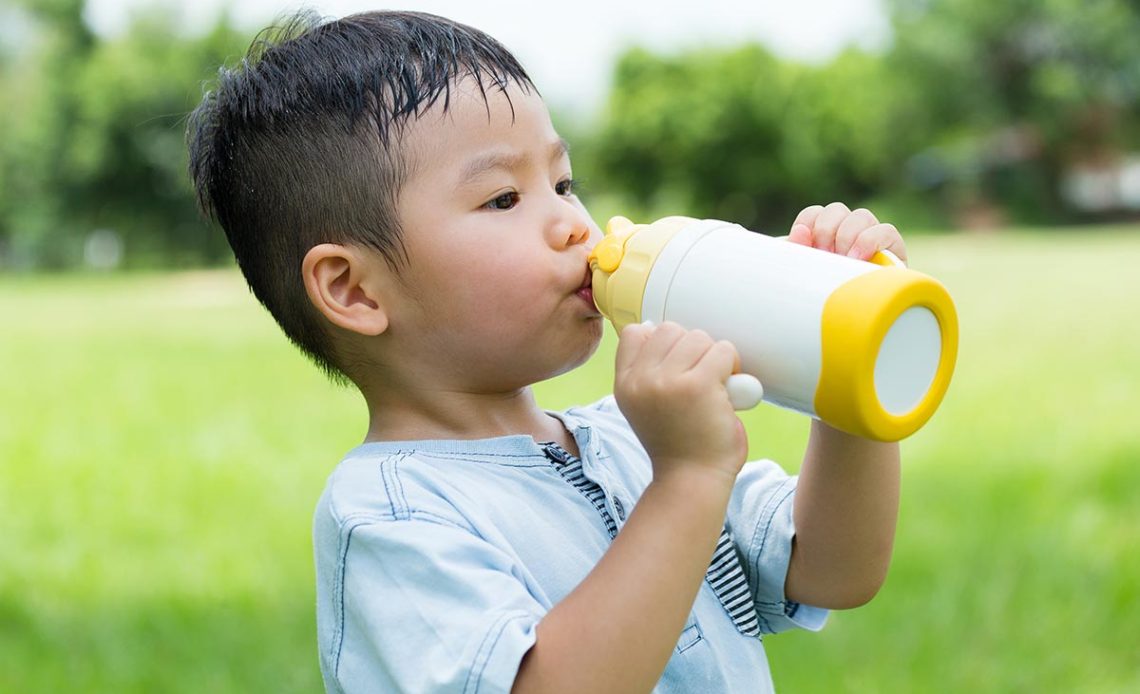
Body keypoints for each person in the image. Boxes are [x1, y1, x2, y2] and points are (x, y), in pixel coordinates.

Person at [188, 10, 906, 693]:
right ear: (355, 291)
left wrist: (838, 363)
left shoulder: (628, 439)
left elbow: (833, 569)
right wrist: (686, 480)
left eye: (563, 183)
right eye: (504, 198)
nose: (570, 222)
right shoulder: (389, 517)